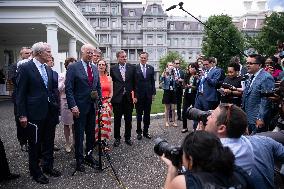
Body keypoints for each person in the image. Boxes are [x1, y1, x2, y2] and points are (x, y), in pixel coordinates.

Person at [202, 103, 284, 188]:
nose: (207, 117)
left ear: (222, 128)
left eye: (211, 116)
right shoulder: (265, 141)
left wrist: (198, 143)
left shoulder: (211, 157)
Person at [16, 42, 61, 184]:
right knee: (35, 144)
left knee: (49, 142)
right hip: (34, 113)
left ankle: (48, 167)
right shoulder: (25, 67)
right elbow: (20, 93)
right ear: (39, 53)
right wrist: (22, 115)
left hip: (49, 113)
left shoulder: (47, 68)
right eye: (48, 51)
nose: (50, 54)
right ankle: (35, 172)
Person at [161, 131, 254, 189]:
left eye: (183, 155)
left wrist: (172, 170)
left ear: (191, 159)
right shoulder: (239, 173)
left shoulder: (185, 183)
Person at [65, 44, 102, 172]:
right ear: (82, 52)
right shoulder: (73, 67)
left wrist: (100, 103)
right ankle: (79, 160)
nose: (91, 55)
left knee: (91, 134)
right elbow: (68, 89)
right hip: (79, 107)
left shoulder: (94, 68)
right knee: (79, 134)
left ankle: (89, 155)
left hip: (92, 107)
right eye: (88, 52)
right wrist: (73, 105)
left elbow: (98, 87)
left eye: (92, 53)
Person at [242, 54, 275, 134]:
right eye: (247, 63)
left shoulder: (266, 77)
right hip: (249, 116)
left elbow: (266, 100)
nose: (247, 65)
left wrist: (260, 118)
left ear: (259, 65)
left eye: (250, 63)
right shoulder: (252, 76)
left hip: (258, 119)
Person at [110, 50, 136, 147]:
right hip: (117, 98)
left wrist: (135, 96)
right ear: (118, 58)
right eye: (122, 57)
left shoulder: (131, 68)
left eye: (125, 56)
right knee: (117, 120)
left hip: (128, 98)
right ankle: (117, 138)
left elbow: (134, 83)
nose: (124, 58)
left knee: (128, 120)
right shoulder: (113, 69)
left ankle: (128, 137)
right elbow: (112, 83)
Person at [8, 46, 32, 152]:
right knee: (20, 120)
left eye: (30, 53)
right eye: (26, 53)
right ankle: (23, 142)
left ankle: (32, 140)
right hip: (19, 98)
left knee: (31, 120)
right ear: (21, 54)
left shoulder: (32, 65)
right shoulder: (14, 66)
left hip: (31, 98)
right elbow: (13, 79)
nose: (28, 55)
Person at [134, 52, 156, 140]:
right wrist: (134, 95)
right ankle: (139, 132)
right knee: (139, 115)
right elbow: (133, 83)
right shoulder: (135, 68)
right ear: (139, 58)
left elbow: (152, 82)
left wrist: (153, 93)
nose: (143, 59)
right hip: (139, 96)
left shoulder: (151, 68)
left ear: (147, 59)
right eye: (141, 58)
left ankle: (146, 132)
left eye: (144, 58)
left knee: (147, 115)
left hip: (148, 96)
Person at [58, 57, 76, 153]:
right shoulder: (62, 75)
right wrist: (65, 81)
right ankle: (67, 142)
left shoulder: (76, 75)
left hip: (75, 101)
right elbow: (59, 89)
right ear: (66, 66)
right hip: (65, 101)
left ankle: (74, 142)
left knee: (74, 123)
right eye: (70, 65)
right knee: (66, 123)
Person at [94, 59, 113, 147]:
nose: (101, 66)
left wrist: (107, 102)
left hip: (107, 103)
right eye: (99, 64)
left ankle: (103, 140)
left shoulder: (109, 78)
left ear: (105, 67)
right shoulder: (94, 77)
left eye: (103, 65)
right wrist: (99, 101)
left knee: (104, 120)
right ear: (97, 66)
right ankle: (96, 139)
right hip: (97, 102)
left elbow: (111, 92)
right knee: (96, 122)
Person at [181, 63, 199, 133]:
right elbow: (184, 84)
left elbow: (197, 87)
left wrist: (191, 87)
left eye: (191, 68)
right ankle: (184, 127)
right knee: (184, 111)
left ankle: (196, 127)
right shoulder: (187, 75)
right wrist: (185, 85)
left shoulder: (197, 76)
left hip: (194, 96)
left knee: (195, 112)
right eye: (189, 68)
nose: (190, 69)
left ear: (195, 68)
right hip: (187, 95)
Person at [161, 62, 177, 127]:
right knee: (167, 108)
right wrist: (163, 76)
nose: (171, 66)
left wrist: (176, 79)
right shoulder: (165, 73)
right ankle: (166, 122)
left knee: (173, 108)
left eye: (172, 65)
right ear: (167, 66)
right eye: (170, 65)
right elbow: (161, 80)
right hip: (167, 91)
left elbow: (176, 82)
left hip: (173, 91)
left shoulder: (174, 73)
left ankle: (174, 121)